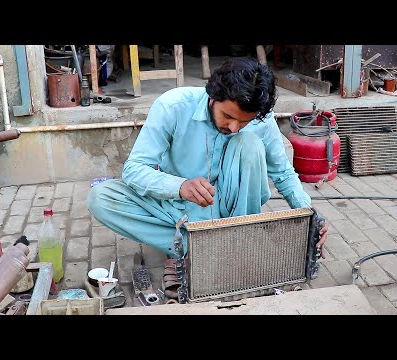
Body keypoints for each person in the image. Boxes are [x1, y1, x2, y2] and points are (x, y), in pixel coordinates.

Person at [87, 56, 329, 296]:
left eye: (244, 121)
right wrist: (180, 186)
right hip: (181, 206)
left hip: (235, 209)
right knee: (101, 197)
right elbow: (134, 169)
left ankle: (236, 245)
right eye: (228, 116)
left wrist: (310, 216)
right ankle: (188, 248)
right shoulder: (173, 106)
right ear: (213, 96)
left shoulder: (260, 120)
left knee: (250, 144)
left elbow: (283, 172)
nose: (234, 127)